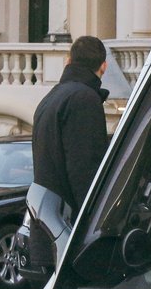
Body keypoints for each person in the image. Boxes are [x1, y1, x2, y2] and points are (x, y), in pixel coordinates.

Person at [26, 36, 110, 272]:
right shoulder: (85, 99)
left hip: (47, 227)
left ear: (68, 61)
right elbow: (84, 169)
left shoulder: (52, 97)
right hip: (68, 234)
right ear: (104, 66)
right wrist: (95, 224)